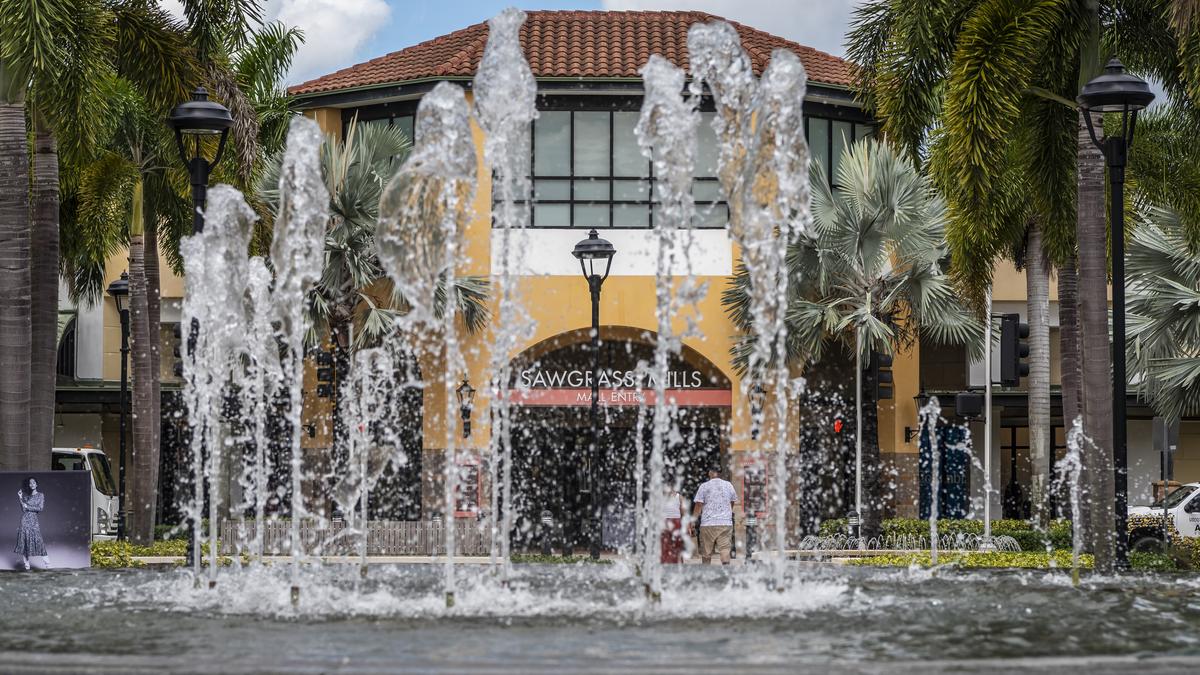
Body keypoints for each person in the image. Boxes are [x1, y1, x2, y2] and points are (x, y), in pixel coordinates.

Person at [689, 465, 738, 565]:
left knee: (706, 552)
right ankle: (726, 573)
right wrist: (726, 514)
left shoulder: (704, 486)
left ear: (710, 473)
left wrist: (693, 521)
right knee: (724, 549)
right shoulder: (728, 485)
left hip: (707, 523)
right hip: (725, 523)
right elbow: (732, 501)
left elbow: (698, 505)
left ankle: (707, 573)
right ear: (720, 473)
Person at [15, 477, 49, 571]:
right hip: (24, 520)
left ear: (36, 484)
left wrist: (28, 506)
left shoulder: (40, 495)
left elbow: (40, 508)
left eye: (33, 482)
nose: (32, 484)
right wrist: (20, 497)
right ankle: (27, 566)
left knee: (39, 541)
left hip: (33, 520)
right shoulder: (27, 496)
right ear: (29, 485)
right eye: (30, 483)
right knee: (24, 542)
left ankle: (48, 565)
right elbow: (23, 509)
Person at [660, 484, 685, 564]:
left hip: (667, 522)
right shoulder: (679, 497)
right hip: (675, 522)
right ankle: (678, 564)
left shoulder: (661, 497)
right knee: (676, 545)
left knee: (666, 544)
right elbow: (683, 512)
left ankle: (665, 563)